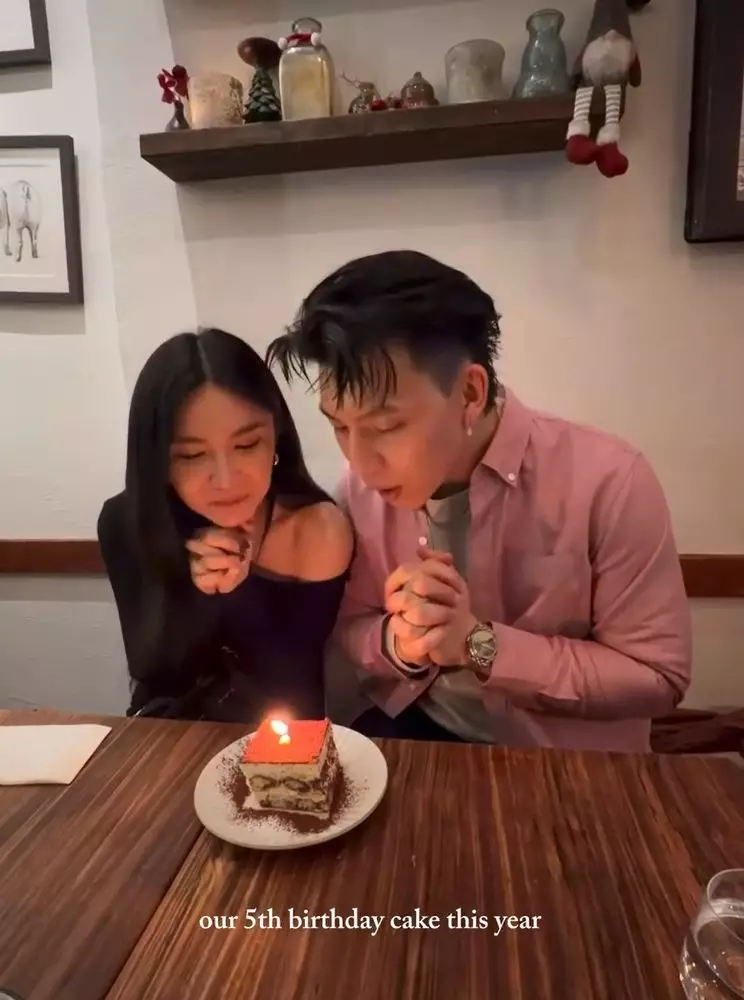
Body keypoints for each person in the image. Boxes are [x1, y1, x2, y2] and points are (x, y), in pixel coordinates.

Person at [266, 250, 692, 751]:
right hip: (422, 732)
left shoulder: (610, 481)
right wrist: (399, 643)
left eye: (386, 426)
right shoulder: (358, 489)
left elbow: (657, 676)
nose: (359, 463)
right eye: (339, 426)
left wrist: (478, 644)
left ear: (470, 393)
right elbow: (351, 627)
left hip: (565, 756)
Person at [98, 328, 352, 722]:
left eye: (247, 445)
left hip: (279, 746)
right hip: (165, 735)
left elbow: (296, 692)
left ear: (277, 437)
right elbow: (151, 670)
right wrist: (200, 598)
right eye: (192, 455)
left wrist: (239, 594)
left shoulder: (316, 530)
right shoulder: (127, 521)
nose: (226, 479)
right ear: (158, 461)